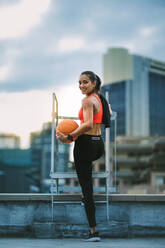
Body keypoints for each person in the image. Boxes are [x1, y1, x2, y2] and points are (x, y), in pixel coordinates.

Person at [56, 71, 112, 242]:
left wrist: (70, 137)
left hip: (85, 144)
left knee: (87, 189)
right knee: (86, 184)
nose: (81, 86)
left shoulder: (87, 100)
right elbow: (106, 116)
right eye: (79, 83)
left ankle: (94, 232)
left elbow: (87, 124)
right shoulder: (100, 99)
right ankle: (85, 198)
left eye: (85, 82)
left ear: (94, 83)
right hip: (98, 144)